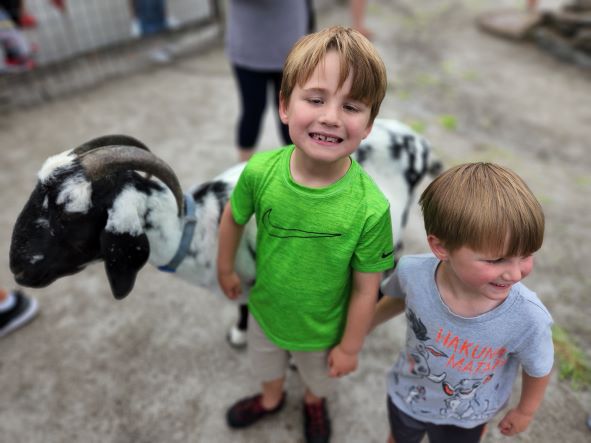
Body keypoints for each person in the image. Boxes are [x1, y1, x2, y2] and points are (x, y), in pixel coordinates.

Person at [217, 26, 394, 443]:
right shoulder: (259, 172)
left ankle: (314, 403)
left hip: (324, 329)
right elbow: (233, 218)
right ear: (283, 105)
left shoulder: (371, 207)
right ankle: (270, 399)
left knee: (320, 379)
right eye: (315, 99)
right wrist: (226, 267)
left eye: (351, 106)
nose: (331, 116)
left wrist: (350, 346)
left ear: (368, 124)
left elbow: (368, 288)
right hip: (264, 310)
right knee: (266, 366)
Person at [371, 162, 554, 443]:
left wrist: (526, 411)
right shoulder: (412, 272)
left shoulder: (528, 317)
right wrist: (361, 326)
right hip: (407, 393)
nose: (516, 273)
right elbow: (397, 298)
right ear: (441, 247)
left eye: (526, 255)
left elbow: (538, 367)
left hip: (468, 415)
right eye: (496, 260)